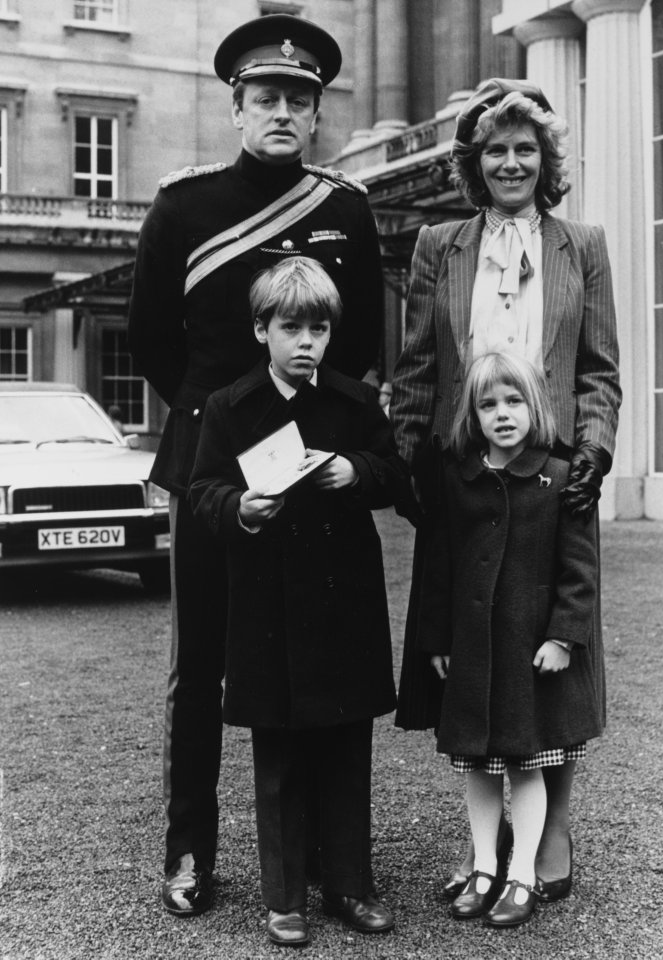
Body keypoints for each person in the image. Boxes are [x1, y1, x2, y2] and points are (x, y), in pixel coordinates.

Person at [127, 14, 385, 916]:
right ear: (236, 107)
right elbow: (150, 335)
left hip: (311, 468)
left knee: (311, 653)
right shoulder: (182, 206)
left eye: (300, 99)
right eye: (266, 97)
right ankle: (189, 853)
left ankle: (319, 857)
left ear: (316, 114)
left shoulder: (345, 209)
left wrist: (306, 432)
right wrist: (218, 426)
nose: (283, 111)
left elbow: (360, 350)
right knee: (200, 664)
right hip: (211, 464)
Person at [391, 78, 621, 902]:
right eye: (496, 149)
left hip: (552, 478)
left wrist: (593, 449)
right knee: (477, 652)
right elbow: (417, 365)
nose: (512, 161)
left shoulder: (582, 245)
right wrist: (410, 458)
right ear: (474, 163)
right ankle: (487, 851)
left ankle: (549, 828)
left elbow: (598, 369)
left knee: (549, 652)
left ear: (546, 160)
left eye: (526, 149)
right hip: (466, 477)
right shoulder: (438, 247)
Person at [188, 256, 407, 946]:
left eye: (319, 327)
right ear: (262, 330)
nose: (307, 341)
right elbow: (202, 491)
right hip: (268, 608)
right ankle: (285, 898)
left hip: (343, 603)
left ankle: (349, 885)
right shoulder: (229, 406)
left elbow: (393, 472)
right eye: (292, 327)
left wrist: (358, 469)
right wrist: (241, 507)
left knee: (346, 748)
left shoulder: (352, 401)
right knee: (278, 753)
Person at [415, 351, 602, 928]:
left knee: (525, 765)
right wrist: (438, 639)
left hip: (529, 654)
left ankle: (522, 874)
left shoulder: (560, 478)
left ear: (536, 406)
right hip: (474, 650)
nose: (502, 414)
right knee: (477, 765)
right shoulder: (461, 478)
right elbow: (442, 567)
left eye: (514, 401)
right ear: (472, 414)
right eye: (488, 403)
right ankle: (484, 869)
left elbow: (580, 571)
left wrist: (564, 638)